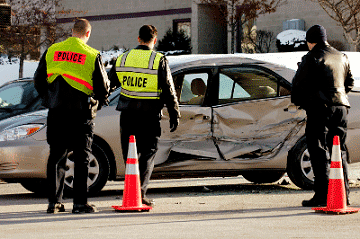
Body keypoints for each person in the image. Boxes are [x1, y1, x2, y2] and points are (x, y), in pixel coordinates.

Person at [34, 19, 110, 214]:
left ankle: (54, 202)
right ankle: (79, 203)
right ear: (88, 33)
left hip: (57, 112)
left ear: (72, 31)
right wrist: (98, 103)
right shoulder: (91, 54)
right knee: (82, 157)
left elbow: (38, 79)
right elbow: (103, 87)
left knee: (56, 157)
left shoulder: (53, 50)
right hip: (81, 114)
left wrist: (49, 97)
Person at [109, 25, 180, 207]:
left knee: (130, 154)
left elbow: (109, 83)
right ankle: (139, 192)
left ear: (139, 39)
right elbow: (168, 89)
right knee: (148, 153)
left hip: (127, 114)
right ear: (154, 40)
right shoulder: (158, 60)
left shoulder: (123, 58)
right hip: (149, 115)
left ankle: (131, 191)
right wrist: (174, 113)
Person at [291, 25, 354, 207]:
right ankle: (344, 195)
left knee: (318, 149)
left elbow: (297, 86)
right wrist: (338, 98)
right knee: (339, 150)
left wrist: (303, 103)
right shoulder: (342, 57)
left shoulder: (311, 58)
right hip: (341, 107)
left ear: (311, 41)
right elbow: (348, 82)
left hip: (320, 108)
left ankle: (322, 195)